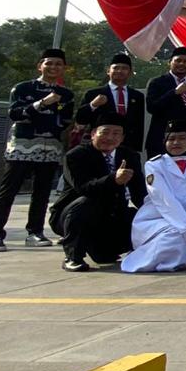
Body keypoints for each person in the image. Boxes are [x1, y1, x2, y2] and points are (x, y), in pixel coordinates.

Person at [0, 47, 74, 251]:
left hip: (50, 147)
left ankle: (35, 232)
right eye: (49, 63)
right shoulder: (22, 88)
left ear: (64, 68)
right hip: (23, 145)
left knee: (42, 192)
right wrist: (42, 104)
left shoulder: (66, 94)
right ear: (40, 66)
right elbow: (16, 114)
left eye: (58, 64)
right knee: (9, 190)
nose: (53, 67)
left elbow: (64, 121)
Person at [49, 112, 144, 271]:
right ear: (93, 134)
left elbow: (139, 191)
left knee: (139, 216)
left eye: (116, 134)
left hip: (111, 214)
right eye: (105, 132)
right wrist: (114, 179)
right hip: (73, 214)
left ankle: (112, 248)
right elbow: (83, 188)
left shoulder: (129, 156)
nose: (110, 138)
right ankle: (73, 257)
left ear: (122, 138)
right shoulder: (76, 155)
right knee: (87, 203)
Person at [121, 120, 186, 273]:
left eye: (182, 138)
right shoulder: (154, 164)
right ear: (164, 142)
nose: (176, 142)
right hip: (157, 217)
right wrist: (183, 222)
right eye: (171, 139)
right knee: (175, 234)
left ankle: (177, 262)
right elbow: (161, 197)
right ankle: (139, 261)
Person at [75, 52, 145, 153]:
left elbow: (139, 124)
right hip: (100, 145)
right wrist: (93, 105)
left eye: (124, 68)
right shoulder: (93, 93)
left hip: (127, 146)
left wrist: (137, 148)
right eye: (116, 68)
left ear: (130, 72)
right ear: (108, 71)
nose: (120, 71)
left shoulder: (137, 96)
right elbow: (80, 119)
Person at [146, 47, 186, 156]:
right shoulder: (157, 83)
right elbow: (152, 107)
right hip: (162, 139)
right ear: (170, 62)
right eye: (178, 61)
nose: (182, 64)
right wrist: (174, 93)